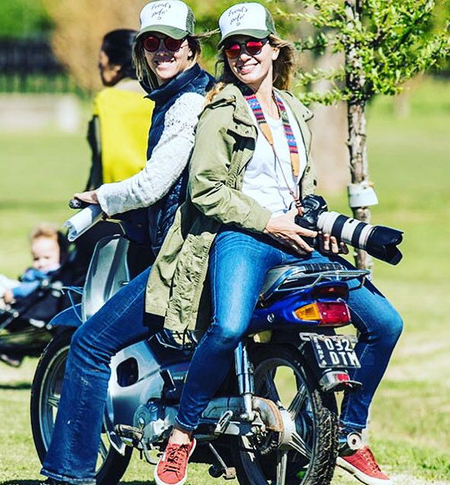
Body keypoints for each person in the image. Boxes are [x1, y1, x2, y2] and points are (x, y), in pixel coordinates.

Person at [146, 4, 403, 485]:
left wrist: (317, 218)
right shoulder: (220, 111)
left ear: (272, 48)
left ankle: (349, 435)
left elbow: (301, 183)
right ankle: (182, 433)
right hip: (244, 236)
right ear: (225, 56)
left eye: (252, 45)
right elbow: (205, 189)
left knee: (386, 323)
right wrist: (268, 222)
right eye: (233, 49)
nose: (243, 55)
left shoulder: (292, 110)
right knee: (228, 327)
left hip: (298, 237)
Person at [39, 2, 214, 484]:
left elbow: (156, 182)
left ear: (192, 49)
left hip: (183, 257)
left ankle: (69, 473)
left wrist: (103, 197)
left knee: (90, 343)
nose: (163, 50)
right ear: (140, 51)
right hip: (194, 244)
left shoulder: (186, 103)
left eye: (173, 42)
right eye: (152, 41)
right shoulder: (185, 94)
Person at [78, 28, 154, 277]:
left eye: (101, 61)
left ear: (116, 65)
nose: (99, 67)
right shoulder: (162, 96)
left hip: (117, 209)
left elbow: (100, 159)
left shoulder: (107, 100)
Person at [0, 223, 68, 329]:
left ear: (62, 255)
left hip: (16, 307)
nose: (41, 263)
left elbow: (31, 287)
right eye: (36, 259)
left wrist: (14, 292)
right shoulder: (45, 274)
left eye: (47, 257)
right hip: (20, 305)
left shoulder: (51, 278)